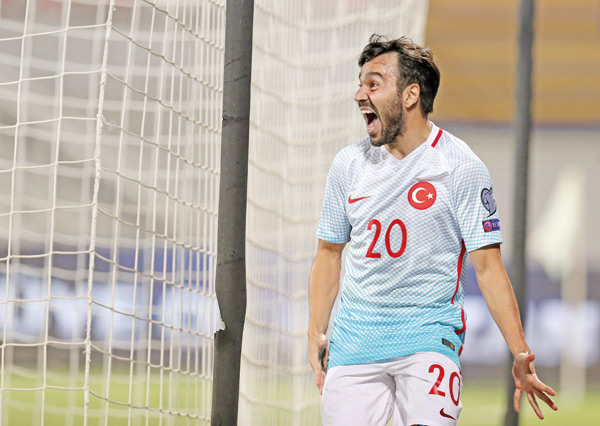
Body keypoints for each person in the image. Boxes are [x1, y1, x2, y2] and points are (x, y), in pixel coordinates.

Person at [307, 34, 558, 426]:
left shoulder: (460, 166)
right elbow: (328, 253)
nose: (359, 95)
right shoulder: (348, 164)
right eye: (360, 84)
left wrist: (520, 351)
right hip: (355, 344)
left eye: (373, 84)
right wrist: (316, 332)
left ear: (410, 95)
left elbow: (488, 267)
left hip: (427, 341)